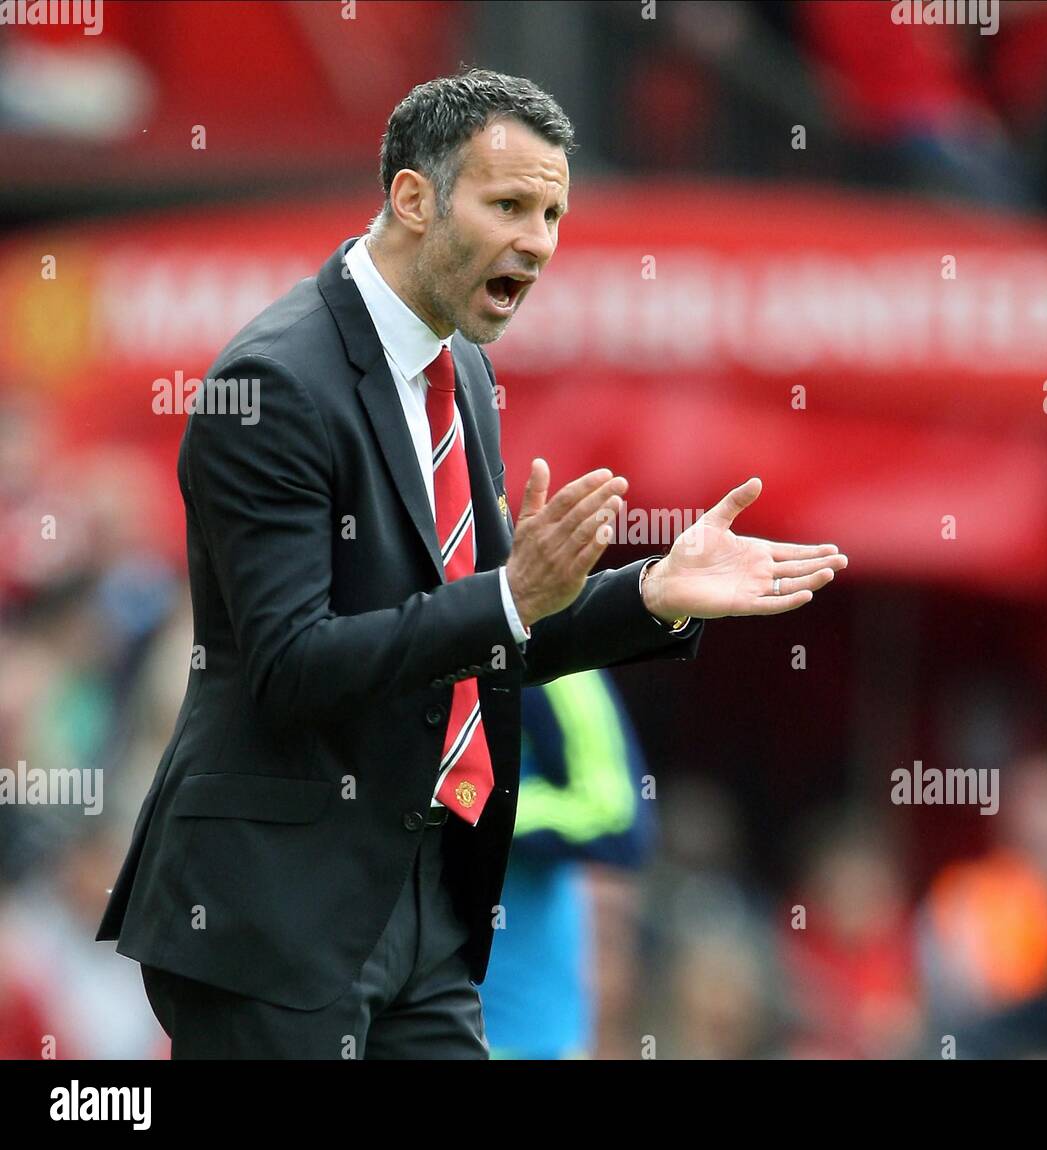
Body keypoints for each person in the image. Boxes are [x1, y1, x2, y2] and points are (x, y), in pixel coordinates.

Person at [94, 67, 847, 1059]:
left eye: (552, 213)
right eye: (508, 205)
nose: (537, 241)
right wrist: (505, 599)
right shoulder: (271, 383)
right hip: (274, 913)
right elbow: (290, 666)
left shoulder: (468, 376)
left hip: (426, 902)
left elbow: (494, 631)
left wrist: (646, 595)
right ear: (413, 198)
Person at [478, 668, 653, 1059]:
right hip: (395, 1006)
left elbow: (616, 815)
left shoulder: (549, 651)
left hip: (524, 1029)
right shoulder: (381, 634)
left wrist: (474, 805)